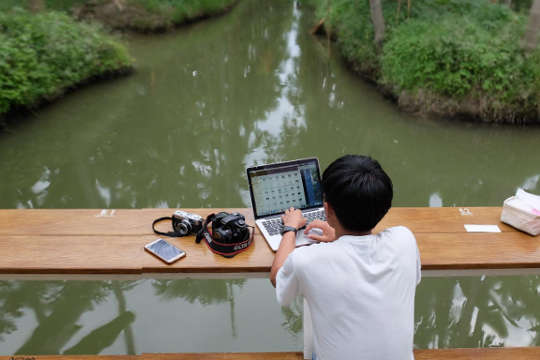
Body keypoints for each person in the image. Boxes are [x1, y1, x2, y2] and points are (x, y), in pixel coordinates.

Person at [270, 155, 421, 360]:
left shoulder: (307, 261)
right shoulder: (405, 241)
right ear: (385, 207)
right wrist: (339, 237)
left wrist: (290, 228)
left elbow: (278, 277)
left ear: (328, 209)